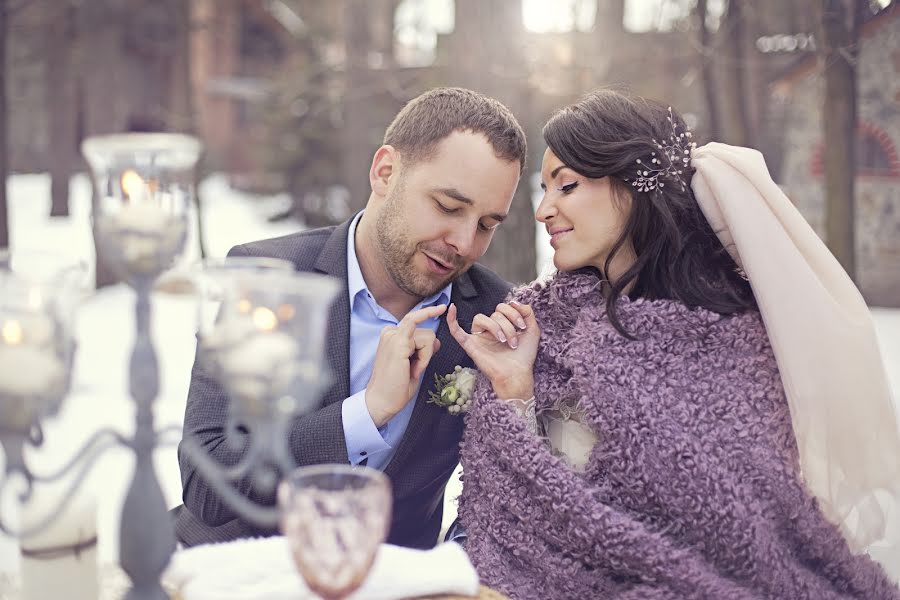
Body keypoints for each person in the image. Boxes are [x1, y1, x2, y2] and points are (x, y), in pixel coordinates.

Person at [447, 89, 900, 599]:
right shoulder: (539, 323)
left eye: (566, 186)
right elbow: (531, 491)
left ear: (634, 186)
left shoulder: (729, 342)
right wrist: (514, 387)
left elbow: (732, 532)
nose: (544, 210)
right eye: (544, 189)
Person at [175, 87, 527, 549]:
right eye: (448, 207)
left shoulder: (491, 319)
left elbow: (503, 501)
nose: (464, 241)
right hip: (240, 573)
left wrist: (517, 401)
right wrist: (366, 413)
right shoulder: (267, 281)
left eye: (486, 225)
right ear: (385, 172)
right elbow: (207, 483)